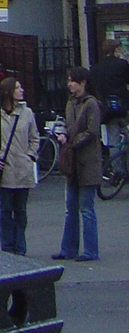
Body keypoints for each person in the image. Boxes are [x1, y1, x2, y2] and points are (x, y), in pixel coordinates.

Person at [53, 65, 101, 262]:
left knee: (87, 209)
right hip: (72, 162)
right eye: (69, 80)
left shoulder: (91, 104)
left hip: (87, 162)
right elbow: (66, 123)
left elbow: (92, 131)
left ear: (83, 83)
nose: (69, 84)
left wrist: (72, 141)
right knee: (70, 207)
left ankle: (91, 251)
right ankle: (68, 249)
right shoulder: (70, 103)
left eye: (73, 81)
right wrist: (63, 133)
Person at [0, 76, 40, 256]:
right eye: (18, 88)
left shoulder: (27, 113)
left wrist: (31, 155)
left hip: (22, 169)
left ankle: (20, 248)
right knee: (5, 212)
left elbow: (35, 137)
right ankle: (7, 248)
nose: (22, 90)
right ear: (8, 92)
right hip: (4, 170)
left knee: (20, 212)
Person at [90, 42, 129, 120]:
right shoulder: (122, 64)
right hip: (122, 102)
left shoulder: (97, 68)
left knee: (112, 128)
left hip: (106, 104)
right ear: (116, 50)